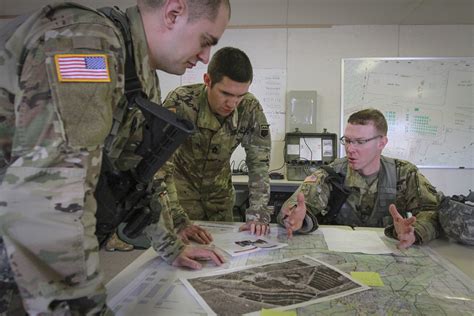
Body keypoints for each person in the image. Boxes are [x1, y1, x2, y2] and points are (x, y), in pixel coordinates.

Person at [0, 0, 230, 314]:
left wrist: (171, 246)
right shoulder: (85, 44)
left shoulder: (138, 70)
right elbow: (51, 200)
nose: (206, 58)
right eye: (206, 41)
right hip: (19, 231)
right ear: (174, 12)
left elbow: (139, 175)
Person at [279, 108, 443, 249]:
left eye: (360, 142)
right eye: (348, 141)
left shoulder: (404, 174)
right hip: (339, 254)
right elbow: (295, 208)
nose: (350, 149)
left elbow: (432, 212)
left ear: (382, 143)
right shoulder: (332, 174)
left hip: (391, 251)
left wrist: (415, 232)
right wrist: (295, 219)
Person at [162, 46, 272, 237]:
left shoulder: (250, 107)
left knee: (223, 254)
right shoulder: (181, 102)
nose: (232, 103)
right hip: (180, 199)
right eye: (226, 94)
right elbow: (162, 164)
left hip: (220, 199)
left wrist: (258, 212)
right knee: (184, 257)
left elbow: (259, 163)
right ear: (207, 81)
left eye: (240, 95)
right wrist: (176, 217)